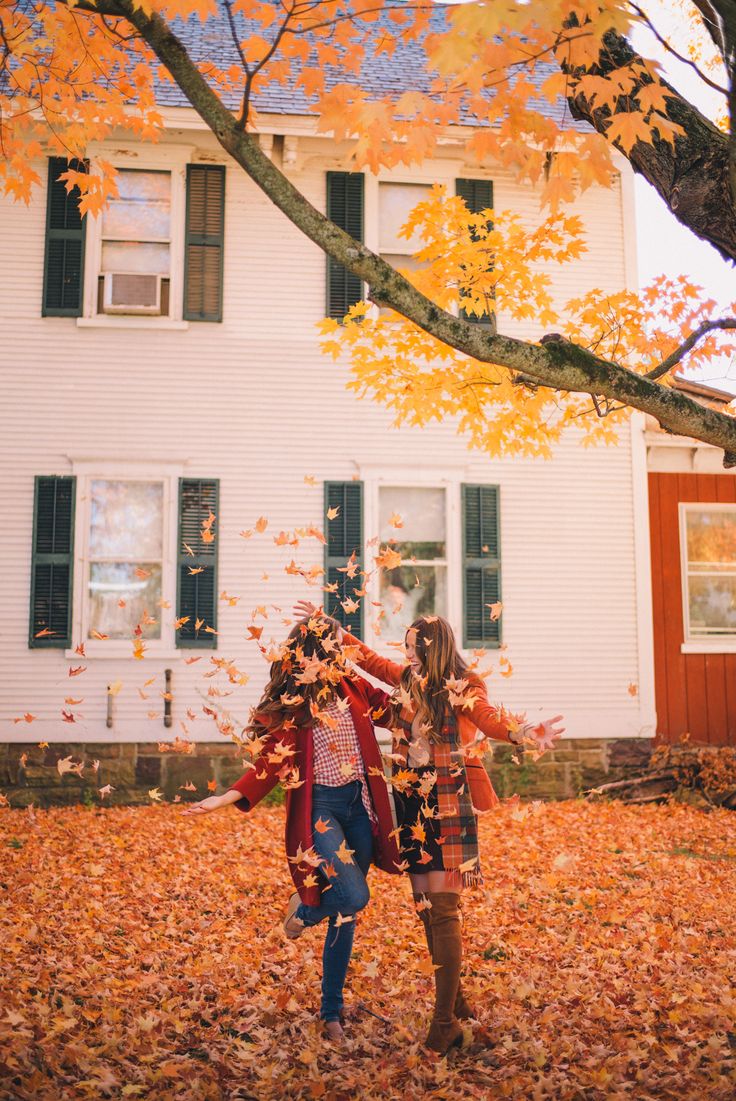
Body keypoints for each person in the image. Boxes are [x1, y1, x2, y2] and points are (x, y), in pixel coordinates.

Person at [295, 599, 563, 1055]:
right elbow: (371, 661)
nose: (409, 656)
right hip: (411, 806)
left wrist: (522, 732)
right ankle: (459, 1010)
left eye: (415, 649)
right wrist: (332, 629)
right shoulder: (407, 683)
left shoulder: (462, 686)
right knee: (426, 910)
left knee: (443, 912)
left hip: (448, 806)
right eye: (406, 649)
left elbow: (486, 716)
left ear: (436, 648)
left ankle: (443, 1027)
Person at [184, 613, 400, 1041]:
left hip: (361, 807)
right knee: (354, 895)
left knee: (344, 910)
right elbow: (270, 762)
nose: (347, 652)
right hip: (321, 810)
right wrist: (226, 798)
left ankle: (329, 1007)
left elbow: (395, 712)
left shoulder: (353, 686)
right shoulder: (295, 702)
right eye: (339, 645)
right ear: (319, 649)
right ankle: (309, 926)